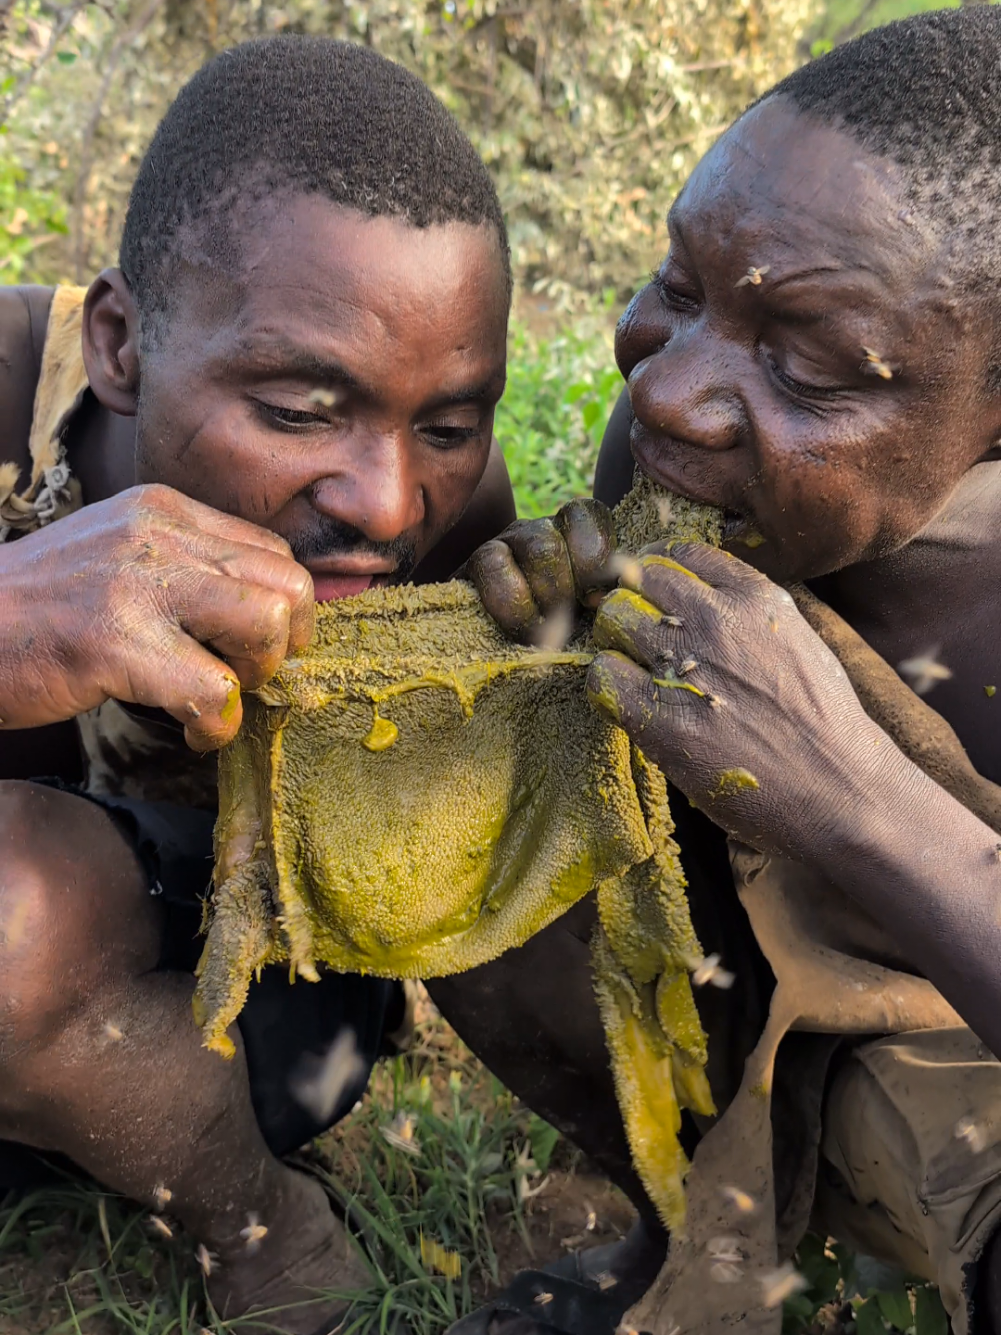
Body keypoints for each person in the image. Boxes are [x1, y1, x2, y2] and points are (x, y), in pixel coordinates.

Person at [443, 8, 1001, 1334]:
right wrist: (559, 640)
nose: (672, 395)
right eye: (679, 289)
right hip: (775, 1006)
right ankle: (675, 1207)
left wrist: (856, 797)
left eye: (806, 367)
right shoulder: (682, 440)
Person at [0, 36, 516, 1333]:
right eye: (301, 406)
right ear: (118, 342)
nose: (389, 499)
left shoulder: (453, 521)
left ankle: (260, 1225)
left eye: (450, 423)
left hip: (247, 1015)